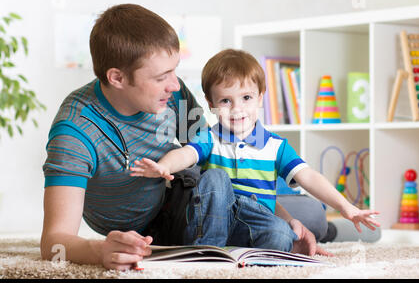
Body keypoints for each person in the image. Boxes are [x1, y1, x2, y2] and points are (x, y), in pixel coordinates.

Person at [40, 4, 327, 271]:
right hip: (145, 227)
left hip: (191, 198)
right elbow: (53, 244)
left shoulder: (174, 95)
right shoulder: (75, 130)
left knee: (310, 215)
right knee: (298, 217)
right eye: (161, 76)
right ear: (117, 78)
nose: (175, 84)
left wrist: (286, 220)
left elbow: (218, 165)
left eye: (174, 70)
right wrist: (99, 250)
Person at [130, 49, 380, 251]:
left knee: (282, 235)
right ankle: (208, 251)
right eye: (226, 101)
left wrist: (347, 207)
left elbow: (309, 177)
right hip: (214, 216)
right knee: (215, 177)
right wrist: (163, 166)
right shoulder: (210, 137)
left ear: (261, 97)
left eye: (246, 98)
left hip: (254, 218)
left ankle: (245, 252)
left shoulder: (275, 146)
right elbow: (186, 154)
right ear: (211, 104)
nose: (237, 109)